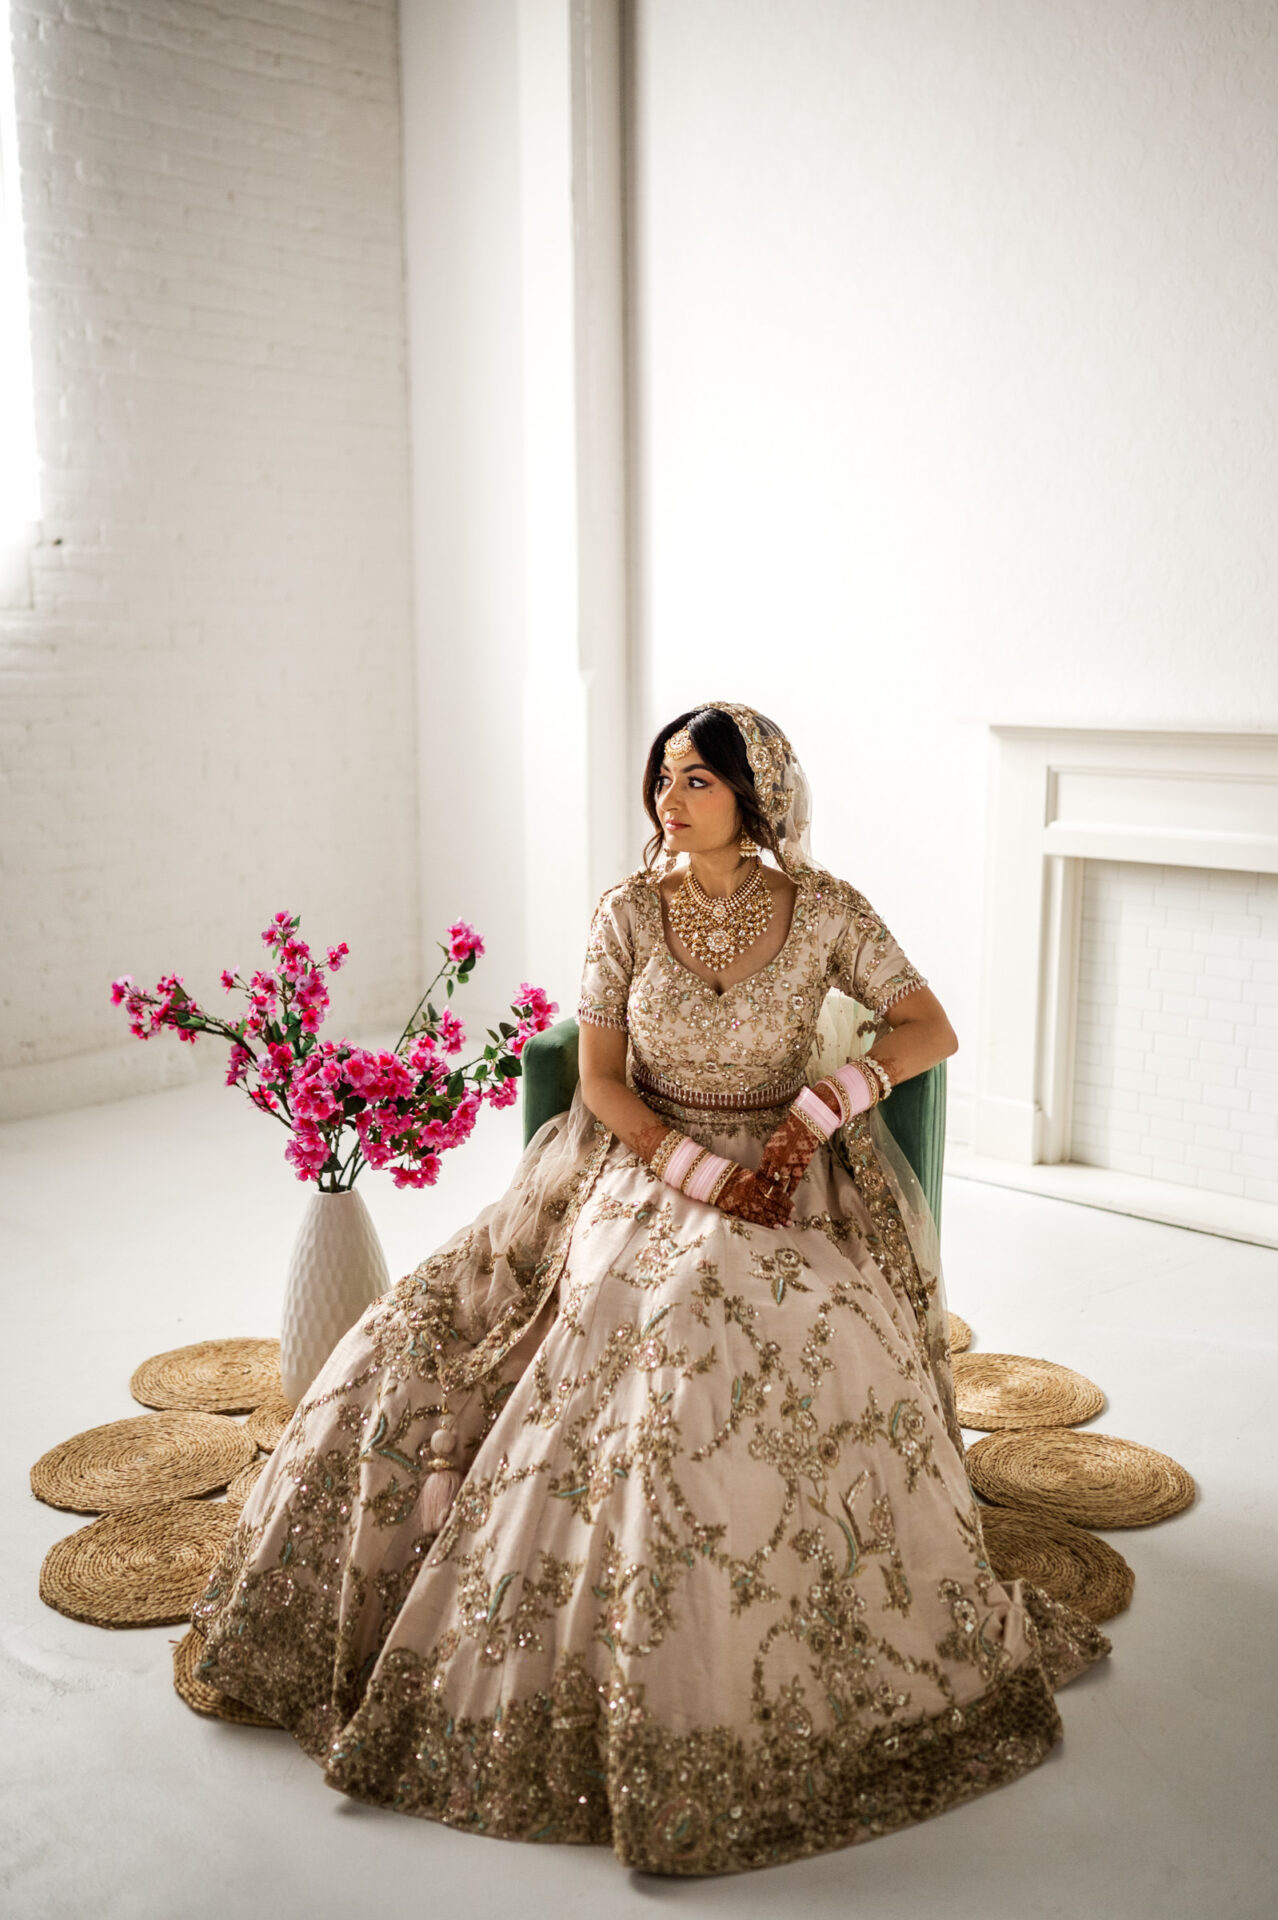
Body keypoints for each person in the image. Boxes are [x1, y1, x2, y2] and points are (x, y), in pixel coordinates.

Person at [194, 701, 1110, 1875]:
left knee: (755, 1323)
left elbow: (930, 1027)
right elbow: (601, 1080)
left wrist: (822, 1109)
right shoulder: (627, 912)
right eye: (663, 777)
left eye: (696, 781)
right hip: (640, 1162)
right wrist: (697, 1174)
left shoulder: (825, 909)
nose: (668, 799)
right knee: (529, 1318)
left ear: (753, 796)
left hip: (791, 1173)